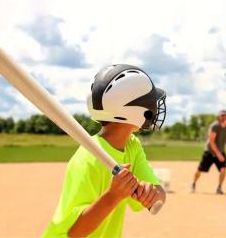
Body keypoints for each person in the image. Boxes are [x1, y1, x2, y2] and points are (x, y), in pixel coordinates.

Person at [43, 64, 167, 237]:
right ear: (134, 111)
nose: (154, 106)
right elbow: (75, 233)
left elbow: (160, 193)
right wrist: (113, 195)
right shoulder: (87, 159)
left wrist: (152, 194)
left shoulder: (132, 146)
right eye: (149, 101)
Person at [191, 110, 226, 194]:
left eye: (224, 115)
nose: (223, 117)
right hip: (209, 152)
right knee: (200, 170)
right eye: (222, 115)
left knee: (223, 169)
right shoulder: (214, 126)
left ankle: (219, 188)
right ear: (218, 117)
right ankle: (193, 183)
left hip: (220, 151)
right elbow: (211, 141)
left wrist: (221, 153)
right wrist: (218, 154)